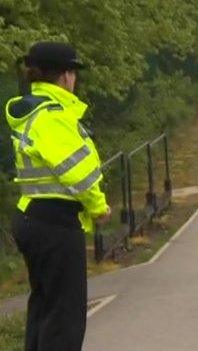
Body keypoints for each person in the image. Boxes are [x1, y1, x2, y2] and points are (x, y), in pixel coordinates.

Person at [7, 41, 112, 350]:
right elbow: (76, 172)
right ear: (65, 76)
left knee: (44, 309)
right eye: (73, 74)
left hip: (34, 216)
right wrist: (98, 207)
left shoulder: (34, 111)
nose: (74, 80)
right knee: (64, 317)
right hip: (56, 224)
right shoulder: (52, 116)